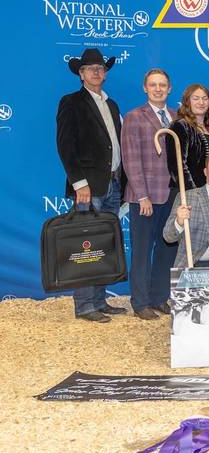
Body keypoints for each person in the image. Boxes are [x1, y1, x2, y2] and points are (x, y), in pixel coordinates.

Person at [56, 47, 127, 323]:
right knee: (86, 246)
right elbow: (65, 145)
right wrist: (79, 182)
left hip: (112, 181)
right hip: (88, 185)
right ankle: (85, 305)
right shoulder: (71, 102)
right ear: (81, 74)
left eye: (101, 68)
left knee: (104, 245)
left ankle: (99, 300)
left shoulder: (112, 105)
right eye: (91, 68)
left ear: (105, 74)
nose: (97, 71)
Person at [120, 68, 178, 320]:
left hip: (171, 195)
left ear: (169, 88)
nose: (158, 89)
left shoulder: (176, 117)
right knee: (142, 250)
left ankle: (159, 297)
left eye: (162, 85)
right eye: (153, 85)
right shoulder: (134, 117)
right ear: (145, 88)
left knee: (167, 250)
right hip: (145, 197)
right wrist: (141, 195)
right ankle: (141, 302)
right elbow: (130, 159)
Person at [166, 84, 209, 192]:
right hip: (187, 192)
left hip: (208, 190)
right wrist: (191, 192)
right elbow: (177, 165)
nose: (201, 102)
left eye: (205, 99)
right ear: (187, 102)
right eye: (196, 98)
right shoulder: (180, 126)